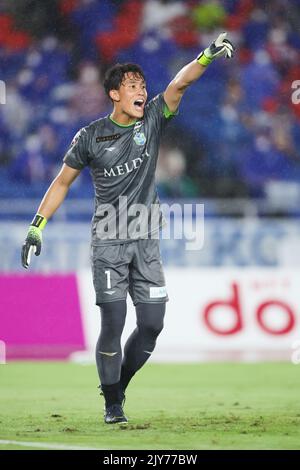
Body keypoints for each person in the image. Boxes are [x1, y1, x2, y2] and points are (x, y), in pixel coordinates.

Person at [21, 32, 234, 424]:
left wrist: (205, 56)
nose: (141, 91)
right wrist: (37, 225)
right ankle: (112, 406)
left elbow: (179, 84)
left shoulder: (152, 119)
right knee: (114, 322)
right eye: (133, 86)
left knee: (153, 324)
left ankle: (116, 386)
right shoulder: (90, 136)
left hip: (146, 241)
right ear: (115, 95)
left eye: (143, 86)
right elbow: (62, 182)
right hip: (109, 243)